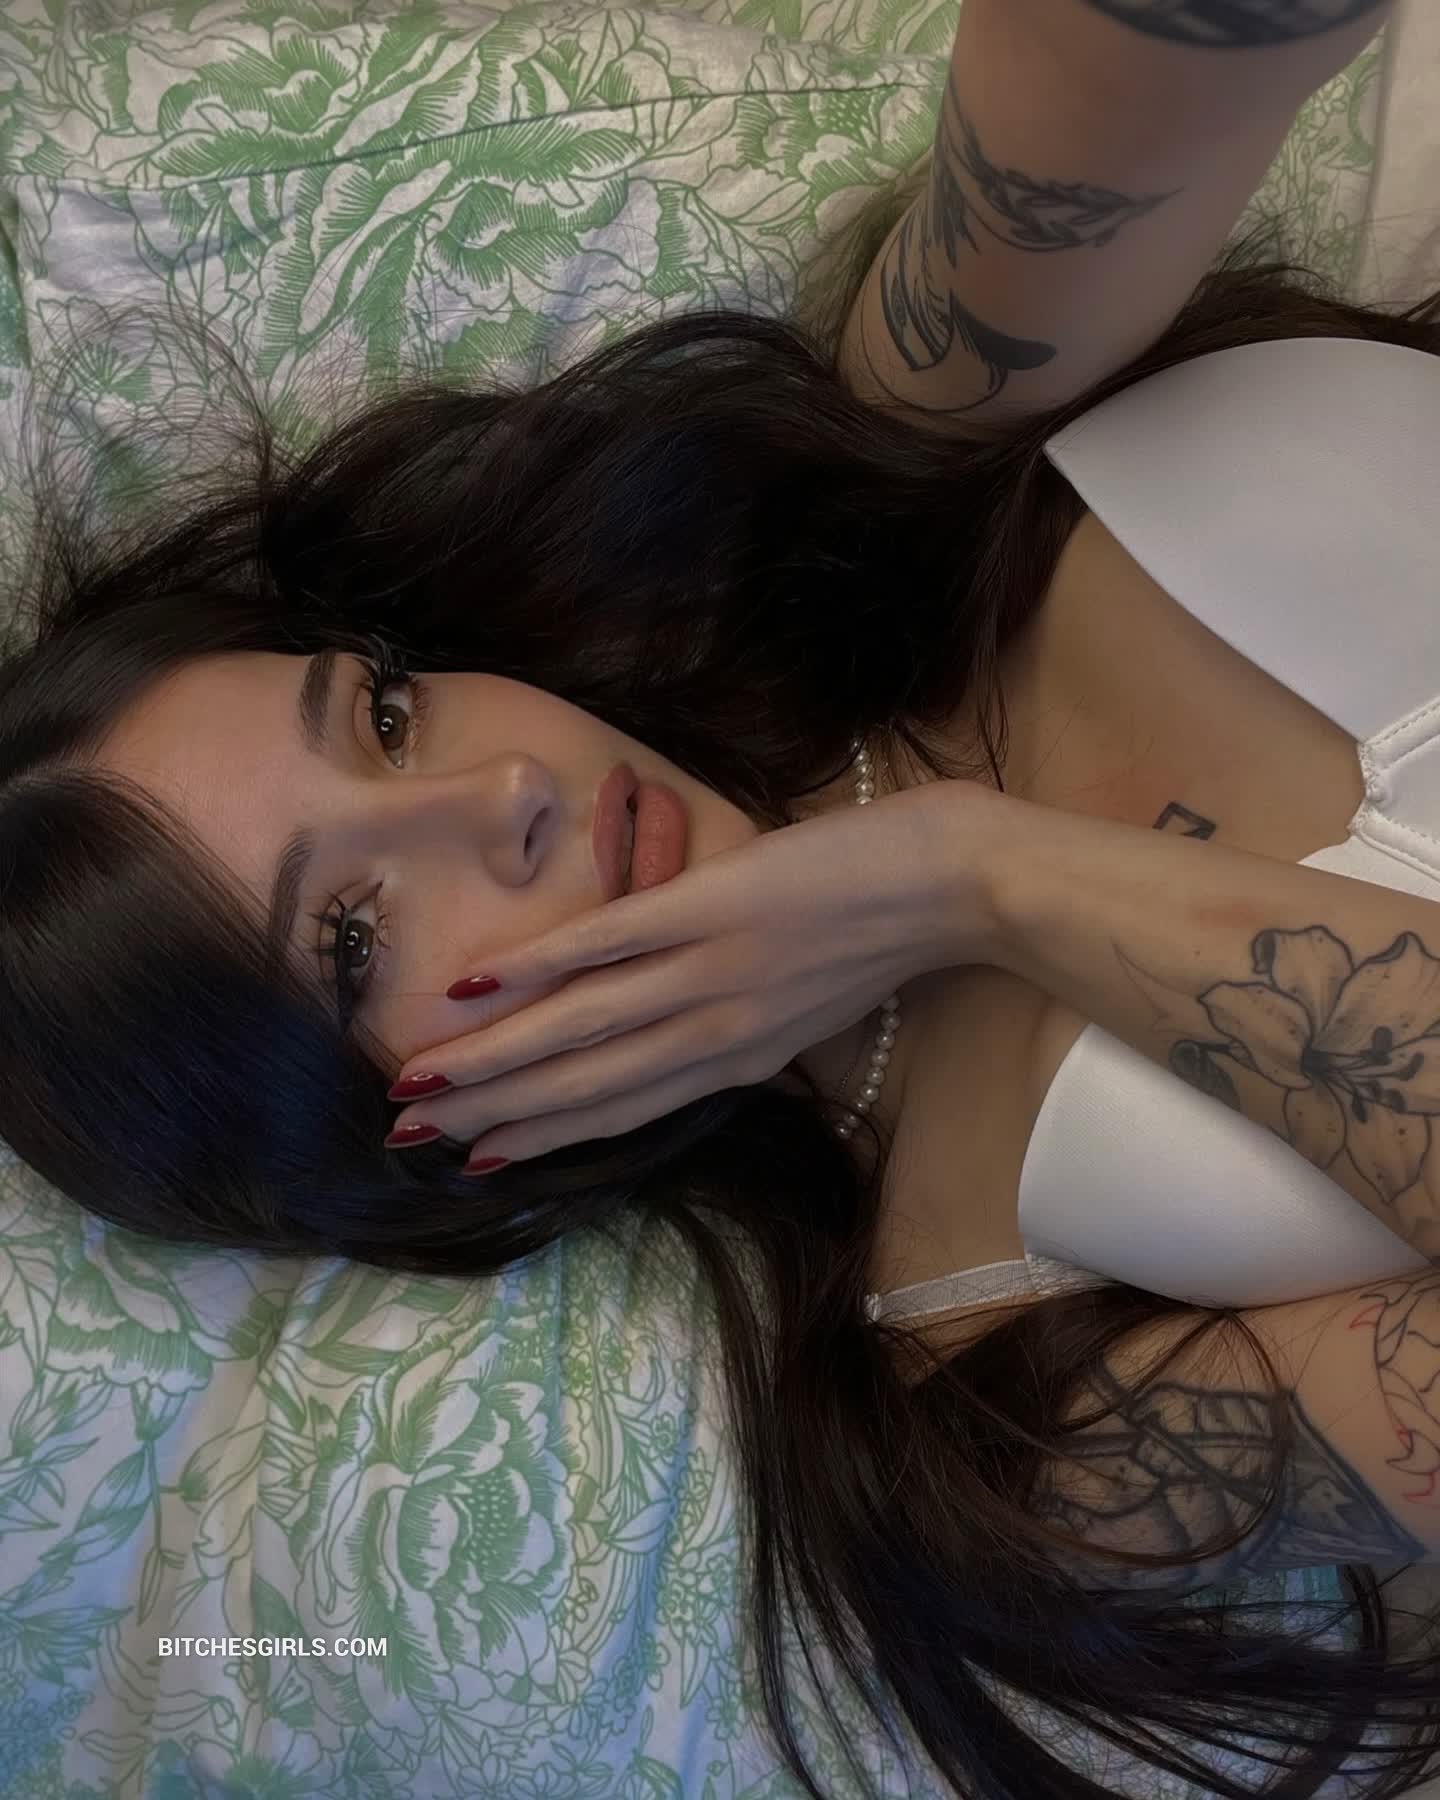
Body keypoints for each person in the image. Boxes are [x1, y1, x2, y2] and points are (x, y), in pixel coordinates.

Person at [2, 0, 1438, 1793]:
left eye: (384, 713)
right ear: (405, 1136)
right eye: (353, 935)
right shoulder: (1009, 1410)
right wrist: (971, 879)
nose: (500, 795)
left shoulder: (904, 457)